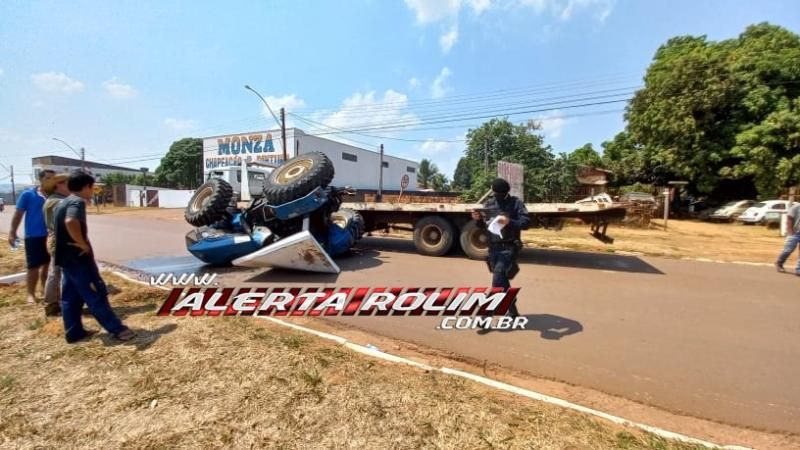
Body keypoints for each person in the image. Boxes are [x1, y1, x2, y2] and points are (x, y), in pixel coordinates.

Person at [53, 171, 135, 343]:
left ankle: (74, 332)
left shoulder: (62, 203)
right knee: (94, 293)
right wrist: (82, 243)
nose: (92, 191)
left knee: (70, 297)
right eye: (92, 187)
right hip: (78, 257)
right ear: (86, 187)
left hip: (65, 258)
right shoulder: (77, 202)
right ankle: (117, 329)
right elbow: (70, 221)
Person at [471, 178, 530, 318]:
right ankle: (512, 309)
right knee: (501, 279)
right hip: (493, 247)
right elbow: (484, 226)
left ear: (505, 192)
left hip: (509, 247)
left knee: (498, 277)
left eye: (499, 193)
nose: (496, 196)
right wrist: (478, 219)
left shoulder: (516, 203)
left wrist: (510, 221)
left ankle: (486, 314)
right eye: (495, 193)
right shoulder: (489, 204)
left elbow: (526, 222)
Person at [8, 169, 55, 304]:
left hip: (50, 236)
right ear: (40, 180)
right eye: (48, 178)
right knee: (33, 266)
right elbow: (18, 214)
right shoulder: (28, 195)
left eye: (53, 178)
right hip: (34, 236)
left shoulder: (54, 195)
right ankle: (30, 294)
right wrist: (12, 232)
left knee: (47, 265)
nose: (51, 181)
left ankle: (45, 290)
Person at [42, 173, 70, 316]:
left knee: (56, 271)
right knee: (62, 273)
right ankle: (59, 304)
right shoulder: (57, 201)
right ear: (58, 185)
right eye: (67, 183)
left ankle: (53, 303)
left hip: (56, 239)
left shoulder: (55, 200)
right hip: (60, 239)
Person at [776, 202, 800, 276]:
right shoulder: (796, 207)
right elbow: (789, 218)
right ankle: (779, 262)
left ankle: (798, 269)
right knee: (788, 250)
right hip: (795, 232)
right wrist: (790, 231)